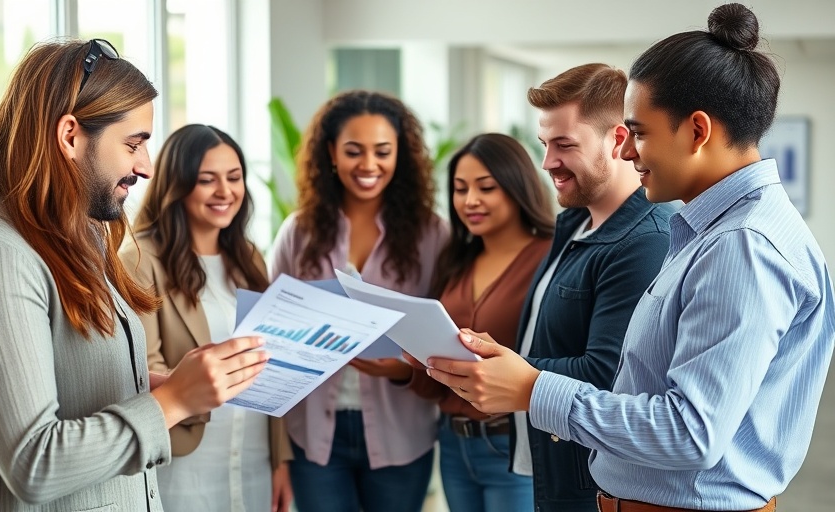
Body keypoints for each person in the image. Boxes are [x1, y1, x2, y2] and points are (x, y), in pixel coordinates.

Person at [428, 4, 835, 512]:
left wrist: (534, 389)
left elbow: (690, 433)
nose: (625, 152)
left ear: (697, 130)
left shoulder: (743, 247)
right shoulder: (711, 233)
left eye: (639, 133)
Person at [0, 40, 268, 511]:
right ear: (71, 136)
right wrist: (172, 400)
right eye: (133, 144)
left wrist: (149, 383)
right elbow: (34, 462)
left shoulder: (81, 240)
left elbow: (67, 381)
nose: (146, 167)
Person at [419, 63, 675, 512]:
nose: (546, 162)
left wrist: (503, 367)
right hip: (548, 462)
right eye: (544, 144)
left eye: (564, 145)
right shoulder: (573, 224)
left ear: (618, 140)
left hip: (590, 480)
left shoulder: (646, 240)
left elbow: (611, 377)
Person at [268, 89, 448, 512]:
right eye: (354, 151)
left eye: (383, 151)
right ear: (331, 153)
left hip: (401, 433)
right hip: (313, 435)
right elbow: (270, 333)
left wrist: (403, 367)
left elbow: (450, 332)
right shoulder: (299, 232)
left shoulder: (432, 235)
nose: (368, 165)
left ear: (400, 155)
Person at [119, 124, 292, 512]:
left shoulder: (249, 259)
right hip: (184, 457)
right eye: (206, 180)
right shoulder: (141, 260)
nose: (225, 192)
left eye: (234, 178)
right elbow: (141, 369)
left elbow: (270, 360)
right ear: (177, 185)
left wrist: (281, 461)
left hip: (253, 455)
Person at [405, 133, 555, 511]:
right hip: (454, 444)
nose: (469, 201)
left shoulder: (551, 257)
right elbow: (440, 378)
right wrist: (408, 364)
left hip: (514, 443)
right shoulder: (457, 261)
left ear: (516, 187)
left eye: (486, 187)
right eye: (459, 189)